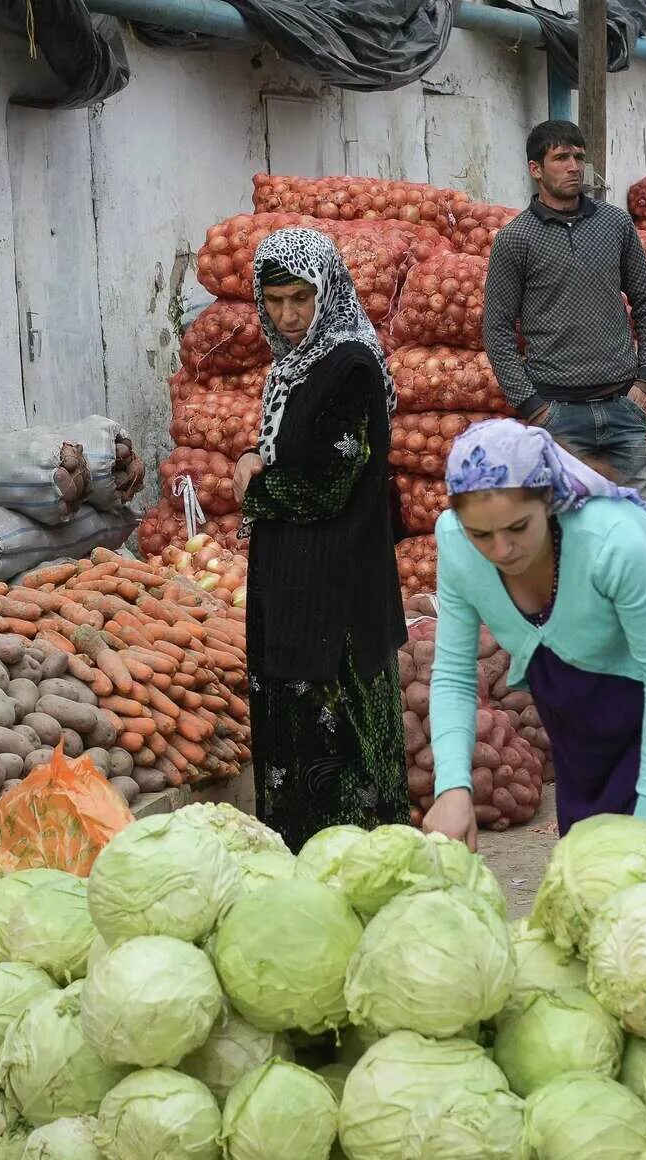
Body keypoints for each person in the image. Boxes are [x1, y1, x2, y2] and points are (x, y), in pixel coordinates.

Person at [421, 418, 646, 908]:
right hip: (576, 680)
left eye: (517, 528)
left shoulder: (611, 540)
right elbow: (453, 673)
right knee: (592, 878)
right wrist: (453, 788)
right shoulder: (454, 544)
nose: (501, 550)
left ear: (548, 501)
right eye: (481, 535)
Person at [232, 227, 407, 851]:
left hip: (337, 586)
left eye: (301, 298)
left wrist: (252, 489)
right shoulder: (292, 367)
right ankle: (303, 867)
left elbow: (329, 482)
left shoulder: (350, 365)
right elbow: (295, 451)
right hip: (294, 583)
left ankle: (358, 869)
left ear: (327, 290)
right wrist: (259, 455)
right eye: (275, 301)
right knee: (294, 738)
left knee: (339, 745)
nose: (288, 315)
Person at [484, 119, 646, 504]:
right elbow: (497, 330)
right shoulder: (515, 240)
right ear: (535, 169)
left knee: (639, 524)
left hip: (623, 408)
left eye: (579, 157)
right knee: (569, 530)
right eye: (561, 157)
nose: (573, 167)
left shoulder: (614, 224)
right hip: (558, 417)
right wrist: (534, 408)